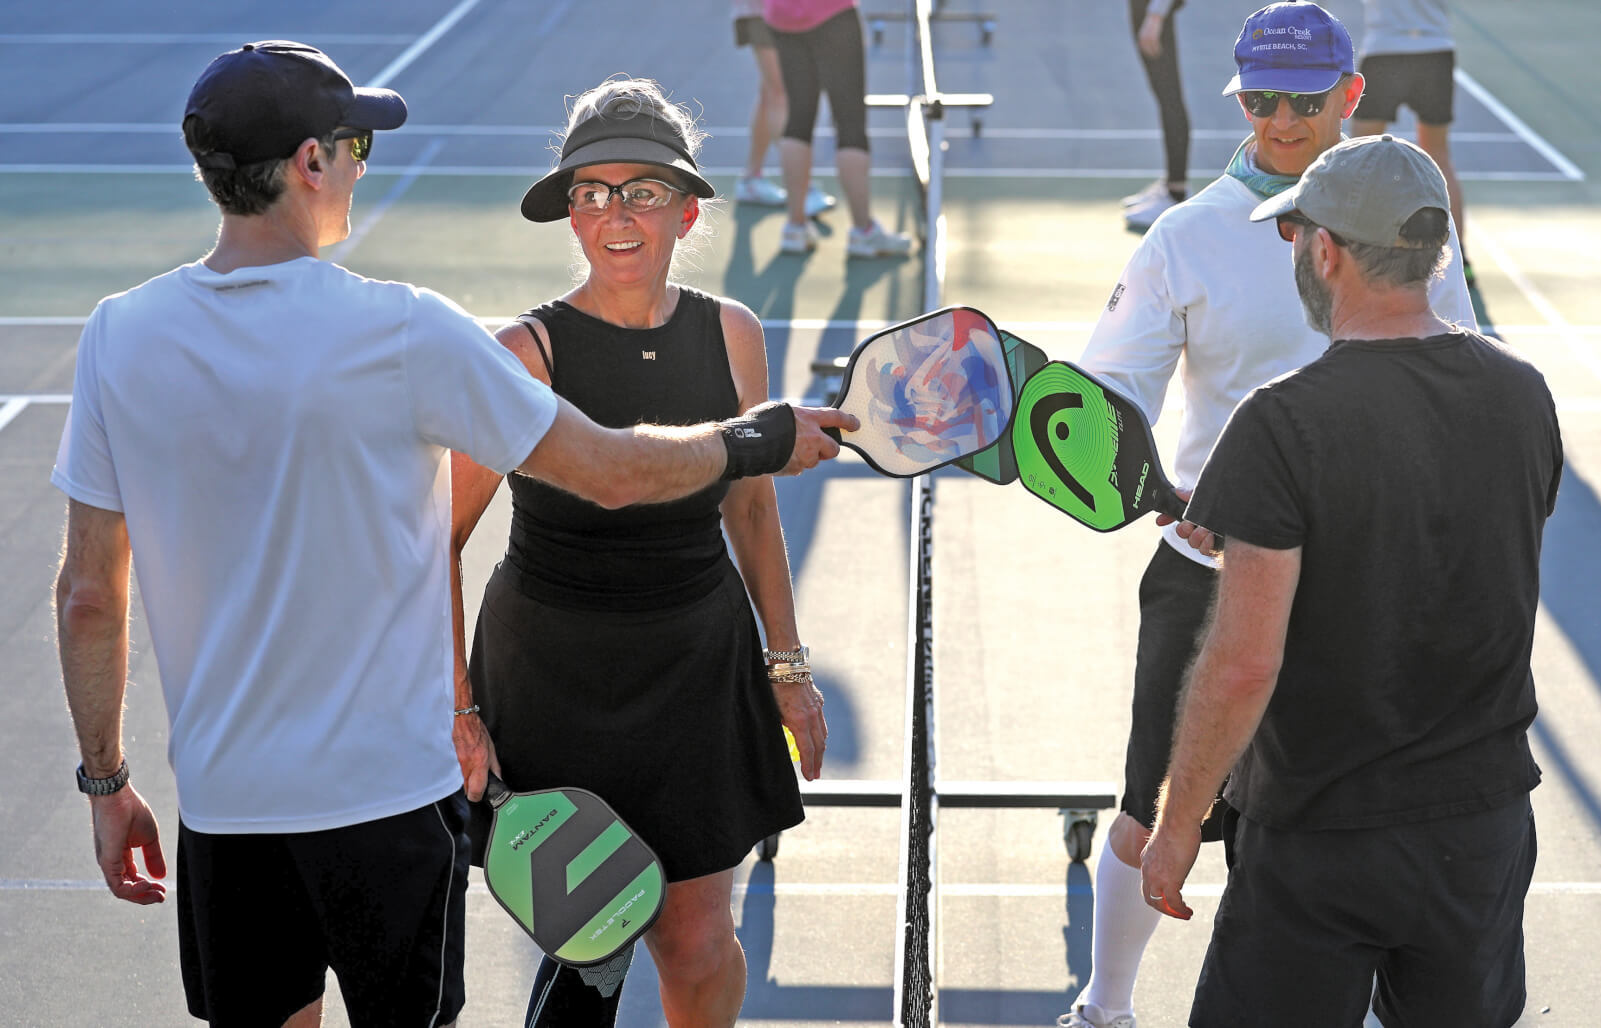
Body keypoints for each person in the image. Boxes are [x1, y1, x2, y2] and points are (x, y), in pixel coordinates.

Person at [50, 43, 853, 1028]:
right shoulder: (406, 330)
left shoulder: (118, 333)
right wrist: (750, 437)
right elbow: (601, 468)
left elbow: (90, 594)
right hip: (391, 795)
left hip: (227, 805)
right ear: (311, 162)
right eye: (355, 147)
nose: (359, 167)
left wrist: (106, 781)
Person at [1057, 6, 1475, 1027]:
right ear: (1237, 96)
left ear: (1350, 93)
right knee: (1153, 803)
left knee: (1354, 810)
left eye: (1304, 98)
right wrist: (1098, 451)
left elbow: (1440, 367)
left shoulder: (1410, 220)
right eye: (1260, 99)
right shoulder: (1183, 237)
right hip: (1206, 559)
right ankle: (1103, 1004)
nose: (1282, 119)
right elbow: (1106, 400)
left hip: (1362, 573)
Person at [1141, 133, 1560, 1027]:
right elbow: (1448, 546)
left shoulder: (1281, 423)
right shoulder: (1523, 396)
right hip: (1479, 830)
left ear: (1326, 251)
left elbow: (1242, 664)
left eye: (1295, 235)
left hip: (1320, 838)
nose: (1293, 250)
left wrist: (1175, 821)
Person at [449, 77, 827, 1028]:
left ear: (686, 207)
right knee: (589, 943)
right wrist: (454, 705)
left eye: (641, 192)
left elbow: (749, 512)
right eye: (590, 194)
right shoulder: (522, 355)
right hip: (550, 673)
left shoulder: (730, 334)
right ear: (570, 217)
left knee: (697, 943)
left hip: (696, 667)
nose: (614, 215)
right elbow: (434, 541)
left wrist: (788, 668)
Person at [764, 0, 914, 258]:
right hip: (831, 12)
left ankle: (795, 228)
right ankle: (863, 232)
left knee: (798, 118)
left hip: (782, 15)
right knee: (850, 121)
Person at [1349, 0, 1472, 281]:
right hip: (1435, 50)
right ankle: (1460, 259)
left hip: (1385, 50)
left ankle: (1355, 244)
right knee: (1439, 157)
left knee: (1361, 155)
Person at [731, 0, 837, 216]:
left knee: (771, 94)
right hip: (768, 11)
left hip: (785, 11)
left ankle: (751, 179)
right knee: (781, 94)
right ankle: (802, 190)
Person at [1122, 0, 1191, 232]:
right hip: (1145, 7)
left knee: (1169, 98)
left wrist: (1155, 16)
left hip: (1152, 8)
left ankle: (1176, 191)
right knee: (1166, 97)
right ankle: (1171, 183)